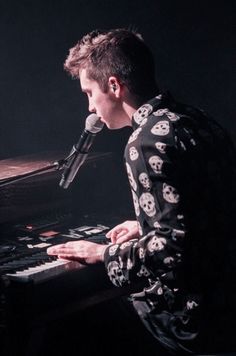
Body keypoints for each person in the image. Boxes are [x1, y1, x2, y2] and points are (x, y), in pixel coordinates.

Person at [47, 28, 236, 355]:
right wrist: (143, 226)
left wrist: (101, 254)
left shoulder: (145, 142)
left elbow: (171, 252)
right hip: (229, 306)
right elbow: (212, 208)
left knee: (70, 323)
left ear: (115, 86)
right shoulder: (196, 119)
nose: (91, 108)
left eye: (89, 93)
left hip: (193, 322)